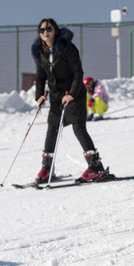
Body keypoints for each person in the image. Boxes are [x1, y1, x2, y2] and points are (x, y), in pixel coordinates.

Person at [31, 18, 106, 183]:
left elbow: (78, 72)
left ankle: (96, 167)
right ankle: (47, 168)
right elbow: (40, 76)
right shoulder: (41, 52)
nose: (45, 32)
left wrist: (71, 93)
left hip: (74, 94)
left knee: (79, 128)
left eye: (48, 29)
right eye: (41, 30)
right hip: (57, 97)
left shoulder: (67, 48)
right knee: (52, 129)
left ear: (55, 30)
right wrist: (40, 95)